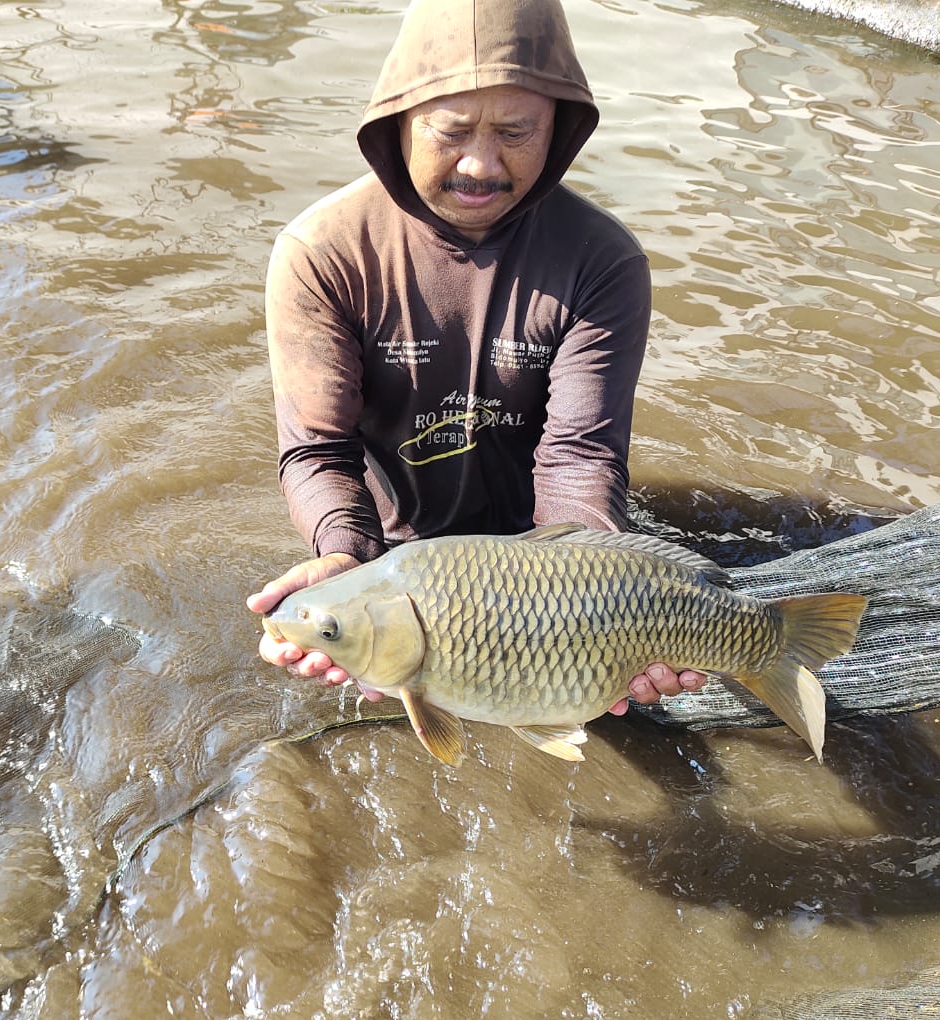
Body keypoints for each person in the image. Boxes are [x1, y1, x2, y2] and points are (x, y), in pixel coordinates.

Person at [247, 0, 704, 713]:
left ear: (558, 126)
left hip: (546, 558)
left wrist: (604, 597)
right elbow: (318, 451)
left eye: (515, 131)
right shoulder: (321, 253)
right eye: (450, 130)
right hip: (388, 560)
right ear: (398, 122)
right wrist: (342, 556)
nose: (480, 164)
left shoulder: (602, 259)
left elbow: (580, 457)